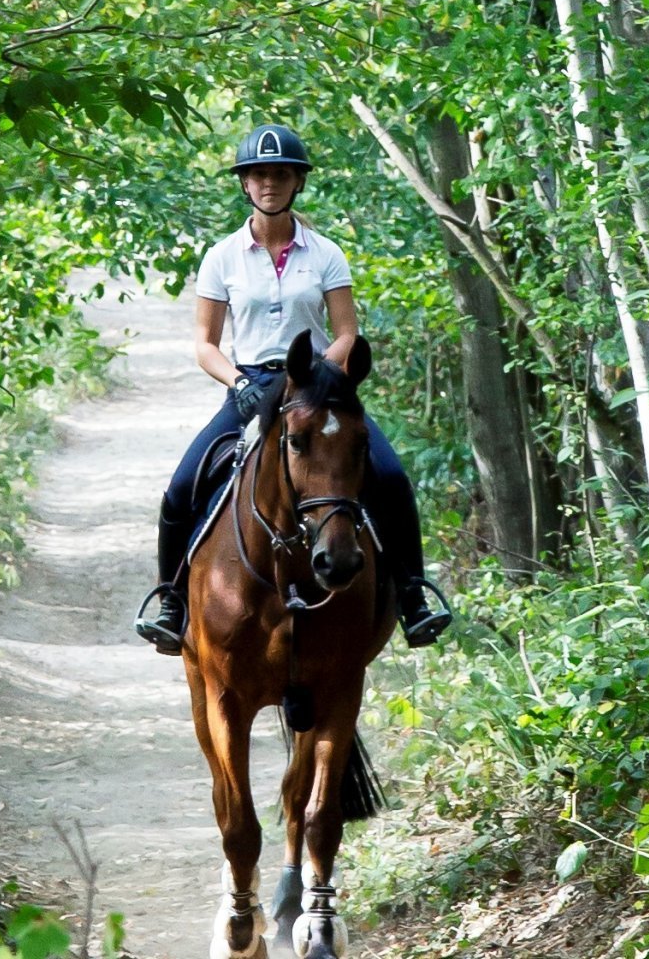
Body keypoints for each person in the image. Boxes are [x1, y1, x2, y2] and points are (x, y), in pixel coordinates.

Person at [133, 123, 452, 655]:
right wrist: (236, 382)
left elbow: (346, 330)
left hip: (317, 386)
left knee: (391, 476)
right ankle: (171, 602)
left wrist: (320, 374)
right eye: (259, 174)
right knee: (183, 484)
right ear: (244, 184)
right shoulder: (222, 257)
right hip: (254, 384)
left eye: (280, 174)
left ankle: (414, 597)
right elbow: (205, 343)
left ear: (297, 182)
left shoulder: (325, 253)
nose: (269, 183)